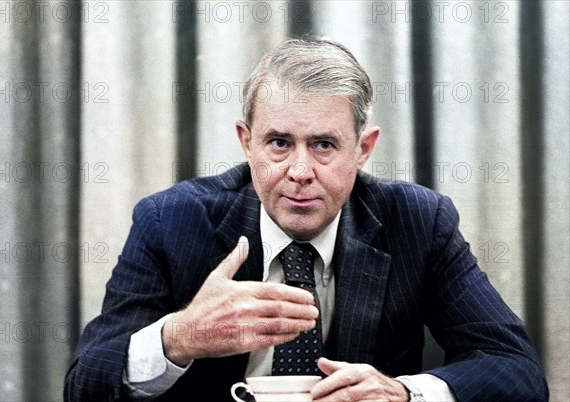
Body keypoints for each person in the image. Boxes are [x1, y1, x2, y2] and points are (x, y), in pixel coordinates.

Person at [64, 38, 548, 401]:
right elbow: (85, 383)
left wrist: (402, 393)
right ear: (245, 142)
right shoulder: (169, 221)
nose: (299, 172)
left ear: (363, 149)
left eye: (323, 145)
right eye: (279, 143)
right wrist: (180, 337)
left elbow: (516, 371)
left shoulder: (419, 221)